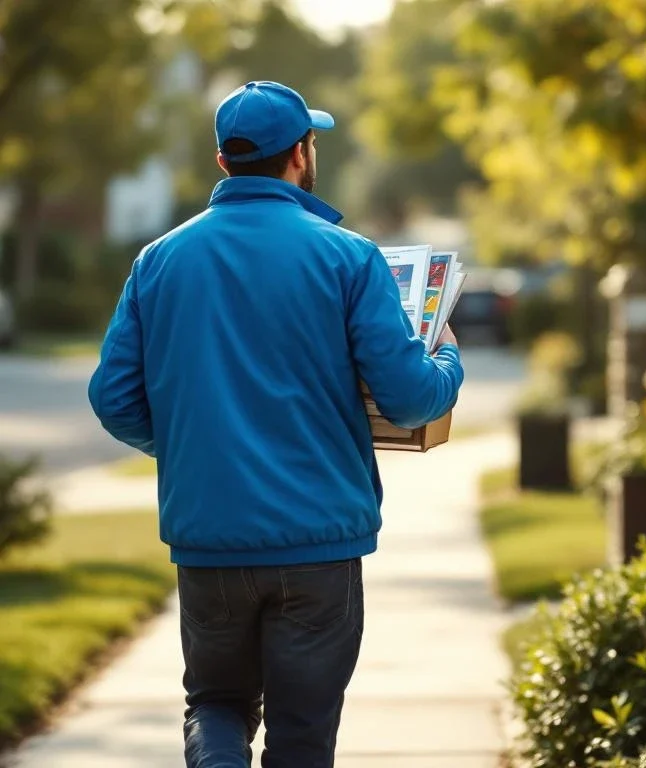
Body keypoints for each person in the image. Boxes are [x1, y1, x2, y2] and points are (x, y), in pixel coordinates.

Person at [87, 80, 463, 768]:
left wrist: (188, 446)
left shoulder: (158, 261)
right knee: (302, 732)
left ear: (224, 161)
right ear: (300, 154)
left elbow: (114, 398)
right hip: (319, 542)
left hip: (209, 538)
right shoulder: (349, 258)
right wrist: (447, 357)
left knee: (216, 706)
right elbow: (411, 399)